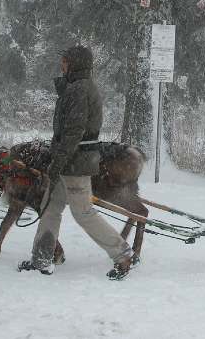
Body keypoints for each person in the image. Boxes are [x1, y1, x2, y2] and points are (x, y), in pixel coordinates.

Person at [18, 45, 133, 280]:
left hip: (75, 162)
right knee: (50, 207)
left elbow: (73, 131)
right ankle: (41, 259)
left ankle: (122, 253)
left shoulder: (80, 90)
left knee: (83, 212)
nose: (62, 64)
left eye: (65, 61)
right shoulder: (75, 88)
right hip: (69, 160)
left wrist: (58, 161)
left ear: (76, 63)